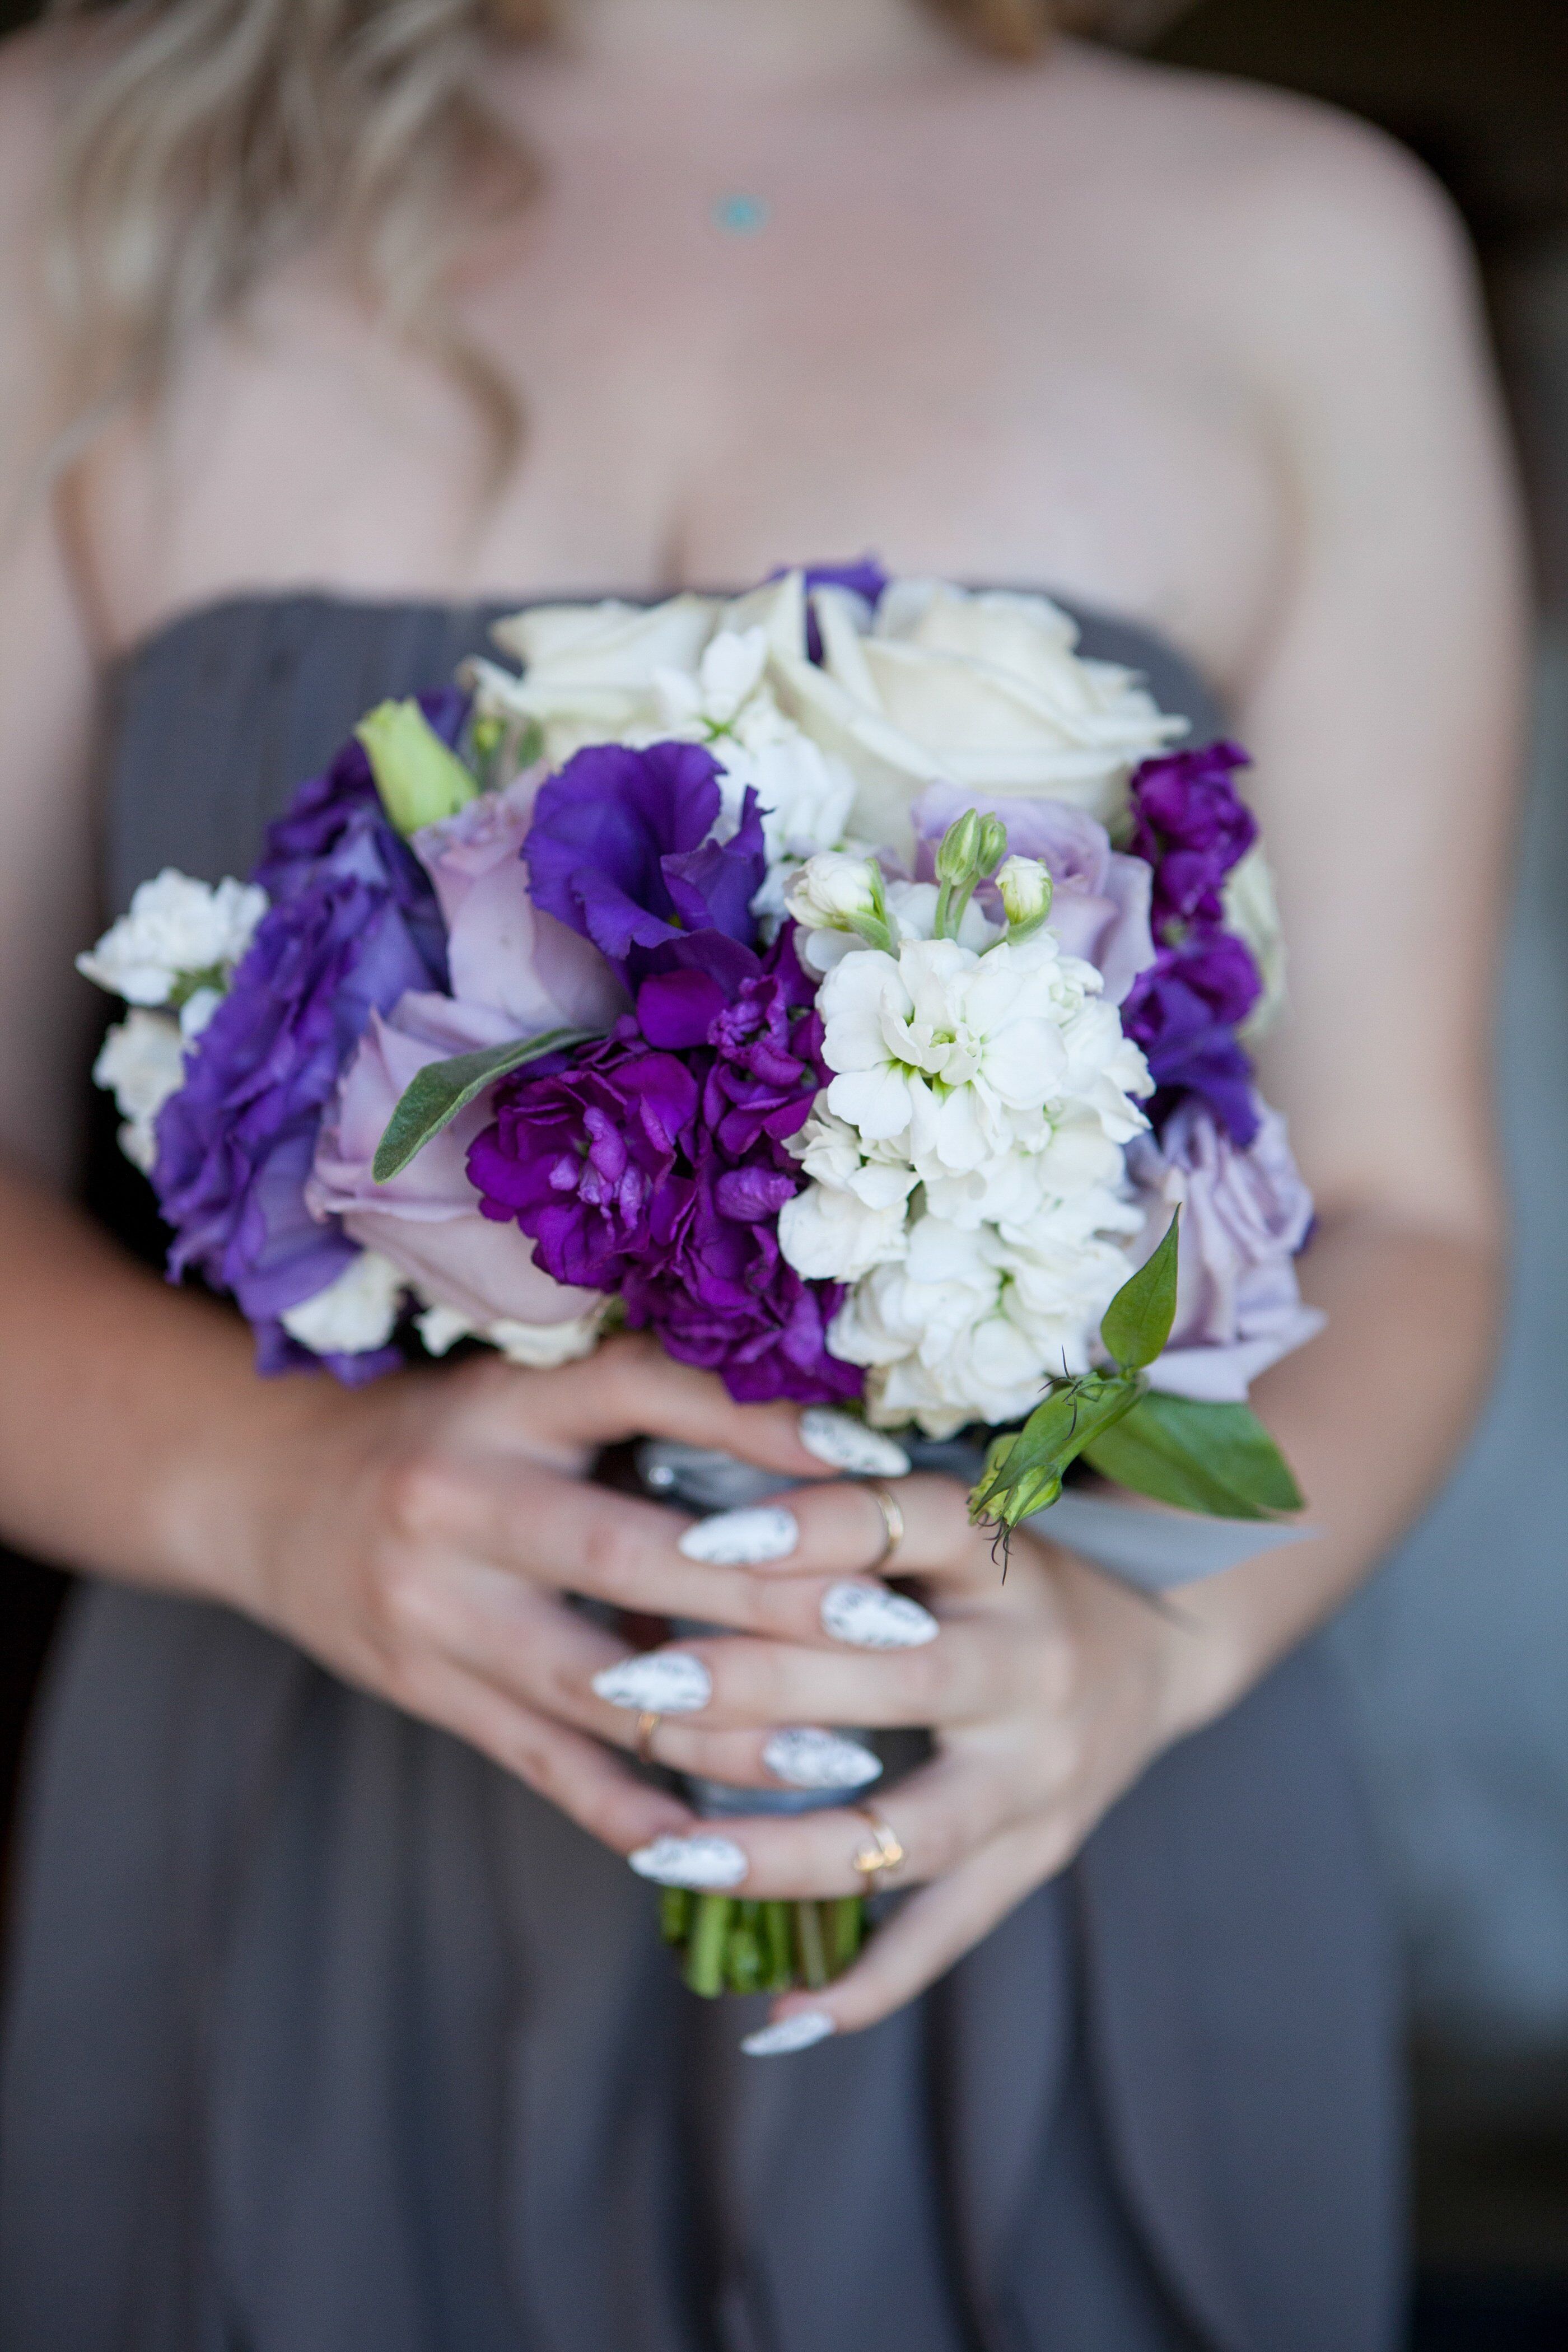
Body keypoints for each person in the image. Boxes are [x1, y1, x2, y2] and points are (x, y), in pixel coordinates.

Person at [0, 0, 1524, 2345]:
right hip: (293, 1826)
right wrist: (275, 1498)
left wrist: (1143, 1650)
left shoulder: (1301, 247)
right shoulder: (62, 178)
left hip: (1056, 1810)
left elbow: (1408, 1207)